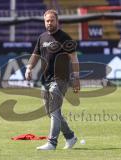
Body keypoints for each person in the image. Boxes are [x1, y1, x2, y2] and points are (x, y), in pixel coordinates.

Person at [25, 9, 80, 150]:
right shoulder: (42, 37)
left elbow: (74, 58)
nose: (49, 23)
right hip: (45, 79)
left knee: (55, 110)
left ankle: (52, 143)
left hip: (60, 79)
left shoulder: (65, 37)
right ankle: (70, 136)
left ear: (57, 21)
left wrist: (76, 77)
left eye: (52, 20)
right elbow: (35, 54)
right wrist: (29, 67)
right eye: (47, 21)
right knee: (50, 112)